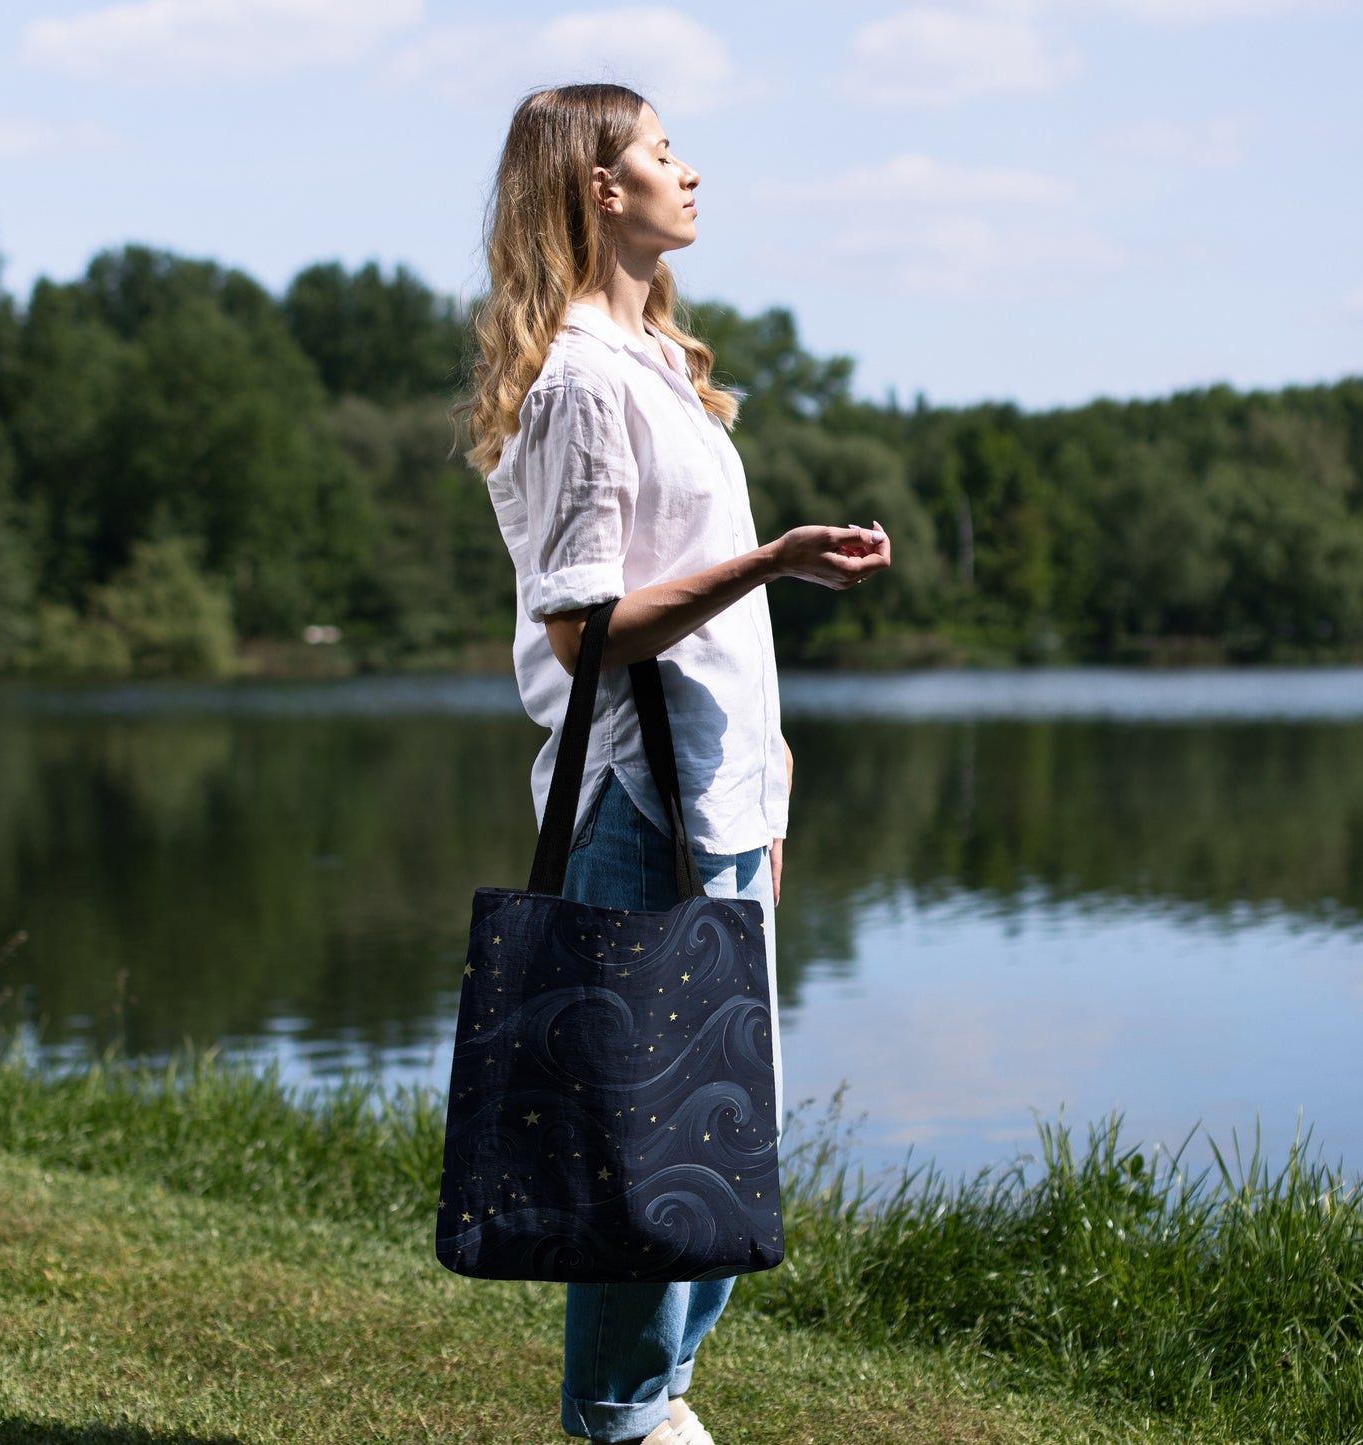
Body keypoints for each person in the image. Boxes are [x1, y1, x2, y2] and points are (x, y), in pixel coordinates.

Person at [460, 83, 891, 1445]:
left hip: (710, 803)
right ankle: (623, 1412)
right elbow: (586, 629)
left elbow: (710, 642)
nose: (686, 171)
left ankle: (647, 1402)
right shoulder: (583, 381)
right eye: (660, 153)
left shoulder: (654, 365)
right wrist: (766, 559)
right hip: (639, 808)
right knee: (649, 1136)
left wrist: (762, 784)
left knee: (710, 1137)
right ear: (598, 186)